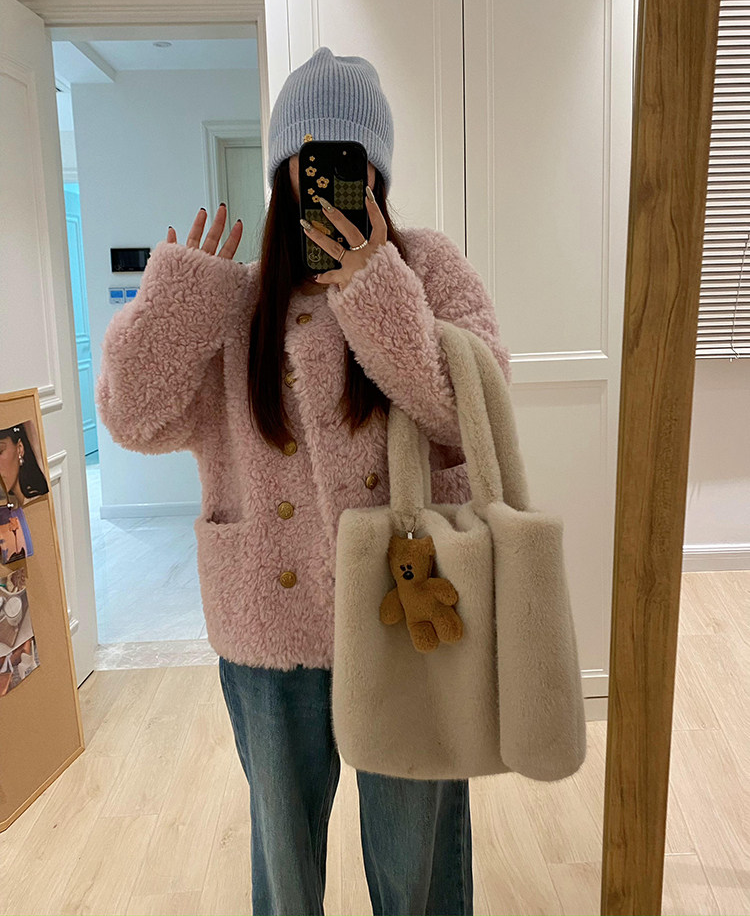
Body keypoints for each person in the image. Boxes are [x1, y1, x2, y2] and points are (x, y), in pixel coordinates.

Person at [96, 45, 512, 916]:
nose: (325, 178)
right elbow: (132, 419)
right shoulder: (235, 298)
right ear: (284, 167)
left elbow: (473, 414)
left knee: (418, 867)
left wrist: (377, 291)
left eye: (347, 158)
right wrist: (173, 303)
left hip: (406, 614)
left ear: (376, 171)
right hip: (268, 621)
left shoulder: (426, 269)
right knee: (286, 873)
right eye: (308, 156)